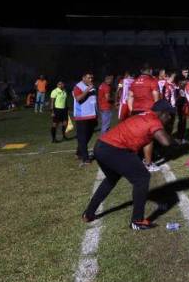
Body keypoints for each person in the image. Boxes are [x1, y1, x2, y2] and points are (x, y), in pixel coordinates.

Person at [81, 101, 175, 230]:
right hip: (114, 149)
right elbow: (166, 142)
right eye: (169, 115)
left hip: (101, 146)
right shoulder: (154, 121)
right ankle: (137, 220)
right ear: (162, 113)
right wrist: (172, 138)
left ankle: (88, 213)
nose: (170, 118)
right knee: (142, 178)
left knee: (111, 179)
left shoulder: (145, 114)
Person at [130, 65, 162, 172]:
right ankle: (148, 163)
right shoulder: (152, 81)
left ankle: (137, 160)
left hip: (135, 111)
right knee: (148, 137)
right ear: (150, 70)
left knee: (138, 136)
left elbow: (130, 96)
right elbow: (156, 99)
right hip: (148, 111)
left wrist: (131, 110)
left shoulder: (134, 82)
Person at [71, 73, 98, 166]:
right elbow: (78, 98)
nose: (91, 79)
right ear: (83, 78)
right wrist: (87, 90)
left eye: (92, 77)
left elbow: (93, 102)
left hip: (92, 116)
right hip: (81, 116)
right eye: (88, 77)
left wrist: (96, 114)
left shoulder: (93, 87)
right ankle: (85, 159)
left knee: (88, 136)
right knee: (82, 138)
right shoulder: (78, 87)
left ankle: (79, 152)